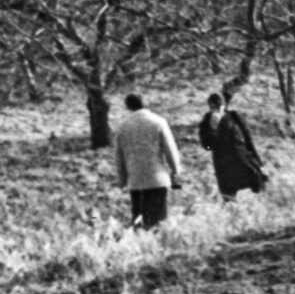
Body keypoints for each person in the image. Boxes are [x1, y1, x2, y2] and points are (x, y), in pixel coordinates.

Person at [112, 92, 183, 230]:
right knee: (159, 222)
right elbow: (170, 150)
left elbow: (119, 158)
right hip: (158, 179)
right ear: (145, 103)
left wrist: (122, 181)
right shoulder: (158, 122)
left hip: (135, 181)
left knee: (139, 222)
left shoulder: (122, 127)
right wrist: (175, 170)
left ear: (127, 106)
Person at [194, 87, 266, 200]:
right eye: (213, 107)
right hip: (224, 166)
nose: (217, 109)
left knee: (258, 184)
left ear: (224, 105)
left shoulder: (234, 117)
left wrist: (256, 158)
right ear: (210, 107)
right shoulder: (207, 121)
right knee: (229, 196)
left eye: (219, 106)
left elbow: (248, 139)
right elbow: (207, 146)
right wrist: (212, 130)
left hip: (242, 159)